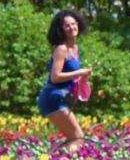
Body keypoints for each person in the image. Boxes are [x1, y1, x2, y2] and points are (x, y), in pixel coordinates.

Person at [33, 11, 90, 150]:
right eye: (66, 26)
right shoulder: (61, 49)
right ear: (61, 30)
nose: (71, 27)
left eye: (73, 24)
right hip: (53, 97)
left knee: (74, 138)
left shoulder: (75, 48)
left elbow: (70, 76)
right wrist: (80, 72)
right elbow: (55, 76)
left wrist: (83, 78)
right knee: (78, 137)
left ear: (78, 24)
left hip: (62, 97)